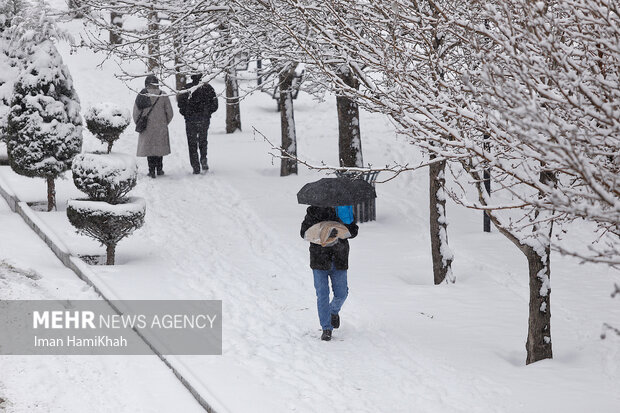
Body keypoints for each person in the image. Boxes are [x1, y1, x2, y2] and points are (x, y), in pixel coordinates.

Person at [300, 205, 358, 341]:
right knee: (322, 294)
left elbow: (354, 232)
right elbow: (304, 233)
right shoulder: (313, 211)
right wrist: (322, 232)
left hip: (339, 258)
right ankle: (326, 328)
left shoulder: (344, 209)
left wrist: (341, 229)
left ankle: (333, 311)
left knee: (342, 293)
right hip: (319, 259)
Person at [177, 73, 218, 174]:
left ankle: (195, 165)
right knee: (203, 140)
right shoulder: (208, 88)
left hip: (190, 120)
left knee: (192, 143)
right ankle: (203, 159)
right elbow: (215, 105)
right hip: (204, 119)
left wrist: (186, 114)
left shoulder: (187, 88)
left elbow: (180, 104)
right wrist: (208, 113)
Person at [133, 75, 174, 178]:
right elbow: (170, 113)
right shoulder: (162, 95)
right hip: (160, 126)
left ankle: (151, 170)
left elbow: (135, 113)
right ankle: (159, 169)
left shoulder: (142, 94)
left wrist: (140, 123)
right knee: (159, 149)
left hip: (147, 127)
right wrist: (164, 123)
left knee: (150, 150)